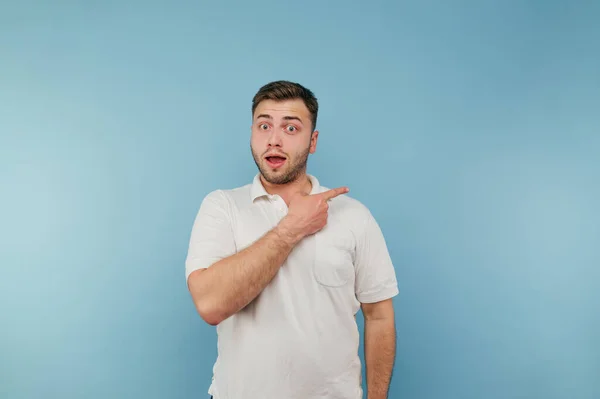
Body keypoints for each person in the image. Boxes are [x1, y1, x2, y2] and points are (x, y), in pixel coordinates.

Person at [185, 80, 399, 399]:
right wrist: (292, 228)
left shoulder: (354, 216)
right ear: (252, 134)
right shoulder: (222, 207)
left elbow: (379, 315)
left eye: (290, 128)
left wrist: (377, 397)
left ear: (312, 141)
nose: (274, 139)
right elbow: (210, 304)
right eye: (264, 125)